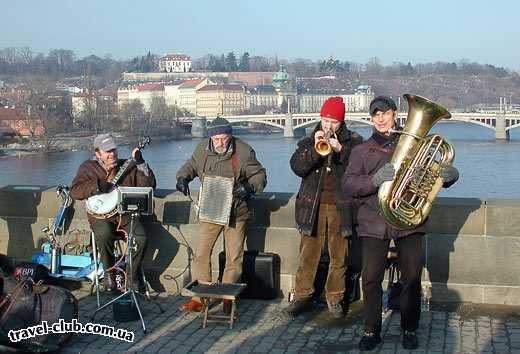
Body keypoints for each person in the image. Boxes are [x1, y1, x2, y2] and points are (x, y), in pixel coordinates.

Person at [342, 96, 459, 351]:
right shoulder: (361, 150)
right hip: (373, 221)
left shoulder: (417, 146)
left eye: (385, 113)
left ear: (395, 114)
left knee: (412, 279)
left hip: (408, 221)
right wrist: (374, 180)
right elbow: (348, 184)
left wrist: (448, 176)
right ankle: (371, 329)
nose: (381, 119)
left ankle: (409, 327)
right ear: (371, 119)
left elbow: (431, 174)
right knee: (371, 279)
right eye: (376, 115)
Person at [176, 117, 267, 313]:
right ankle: (200, 297)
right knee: (201, 254)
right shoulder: (202, 149)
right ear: (210, 138)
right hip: (211, 209)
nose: (219, 143)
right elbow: (191, 165)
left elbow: (259, 175)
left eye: (224, 139)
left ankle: (228, 296)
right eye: (216, 139)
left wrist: (249, 187)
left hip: (237, 212)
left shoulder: (243, 151)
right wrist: (182, 177)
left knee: (234, 257)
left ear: (230, 136)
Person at [285, 96, 363, 318]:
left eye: (333, 122)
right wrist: (314, 151)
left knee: (340, 255)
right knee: (308, 253)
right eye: (326, 120)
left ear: (341, 122)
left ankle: (335, 297)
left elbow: (359, 171)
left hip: (341, 207)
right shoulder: (310, 139)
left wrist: (341, 152)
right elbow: (297, 167)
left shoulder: (354, 142)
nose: (328, 126)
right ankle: (302, 295)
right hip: (313, 205)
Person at [71, 133, 156, 292]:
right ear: (98, 153)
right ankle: (109, 275)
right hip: (100, 217)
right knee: (103, 234)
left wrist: (141, 163)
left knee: (141, 238)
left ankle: (132, 276)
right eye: (107, 151)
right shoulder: (87, 168)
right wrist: (97, 186)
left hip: (124, 214)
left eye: (114, 150)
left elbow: (150, 185)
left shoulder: (127, 165)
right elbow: (75, 191)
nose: (112, 154)